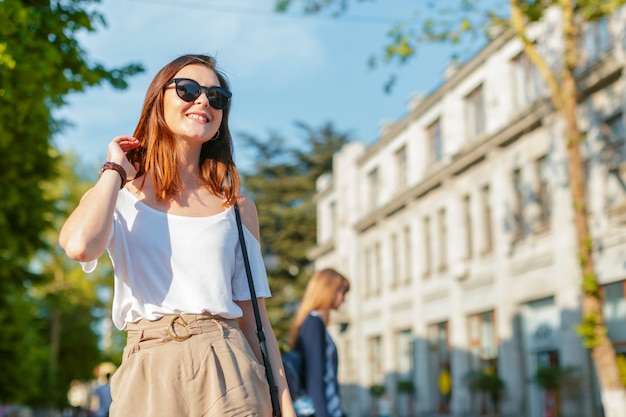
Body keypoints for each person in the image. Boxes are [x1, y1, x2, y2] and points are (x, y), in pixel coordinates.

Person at [59, 54, 295, 417]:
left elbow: (255, 320)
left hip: (229, 366)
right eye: (188, 90)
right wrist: (114, 170)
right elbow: (78, 246)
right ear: (159, 102)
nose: (203, 100)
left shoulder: (236, 207)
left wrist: (285, 407)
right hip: (148, 367)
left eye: (216, 97)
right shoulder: (118, 195)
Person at [288, 268, 350, 417]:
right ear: (328, 290)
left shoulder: (314, 323)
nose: (344, 298)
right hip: (325, 411)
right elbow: (314, 380)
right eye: (342, 291)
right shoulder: (314, 324)